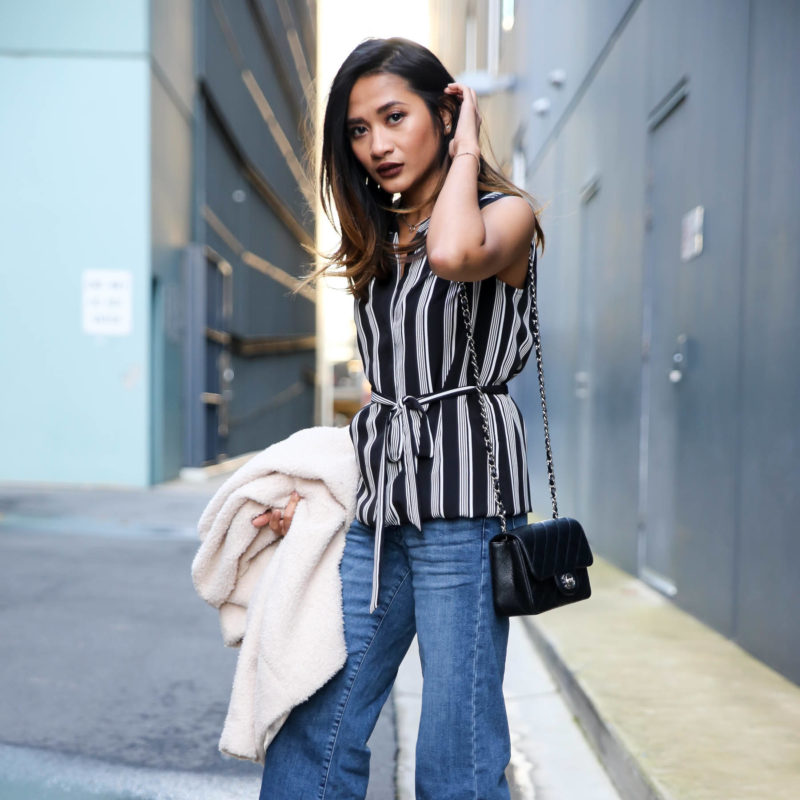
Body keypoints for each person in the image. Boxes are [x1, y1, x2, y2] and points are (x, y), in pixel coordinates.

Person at [250, 36, 545, 800]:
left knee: (456, 749)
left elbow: (454, 255)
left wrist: (469, 144)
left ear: (444, 115)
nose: (376, 144)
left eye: (394, 117)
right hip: (378, 520)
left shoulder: (503, 218)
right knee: (317, 721)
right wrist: (321, 500)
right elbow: (385, 399)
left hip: (467, 516)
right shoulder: (378, 244)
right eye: (358, 129)